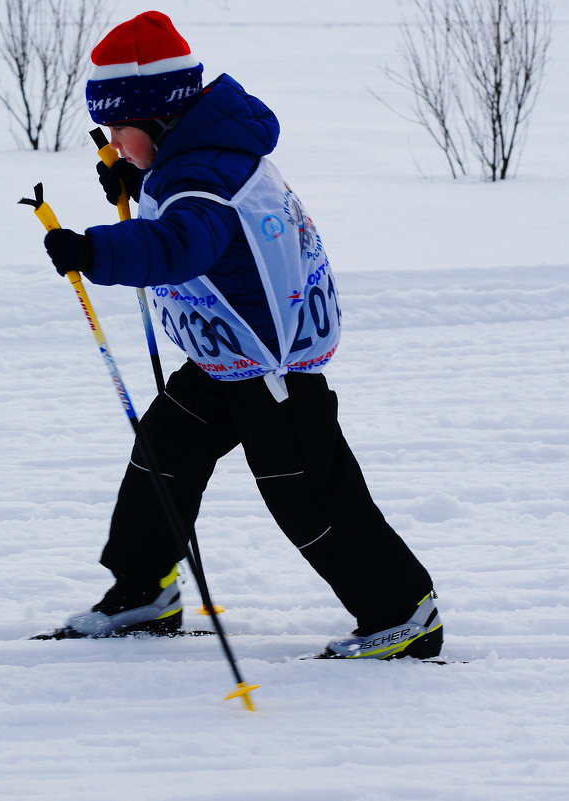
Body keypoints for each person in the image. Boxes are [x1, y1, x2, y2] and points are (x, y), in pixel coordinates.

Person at [39, 11, 442, 659]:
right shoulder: (198, 156)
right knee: (162, 454)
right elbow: (188, 207)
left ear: (158, 117)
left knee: (305, 488)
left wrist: (95, 250)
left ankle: (401, 610)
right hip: (227, 351)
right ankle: (144, 590)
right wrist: (140, 180)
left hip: (271, 362)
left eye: (119, 129)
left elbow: (182, 241)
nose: (111, 142)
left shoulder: (203, 177)